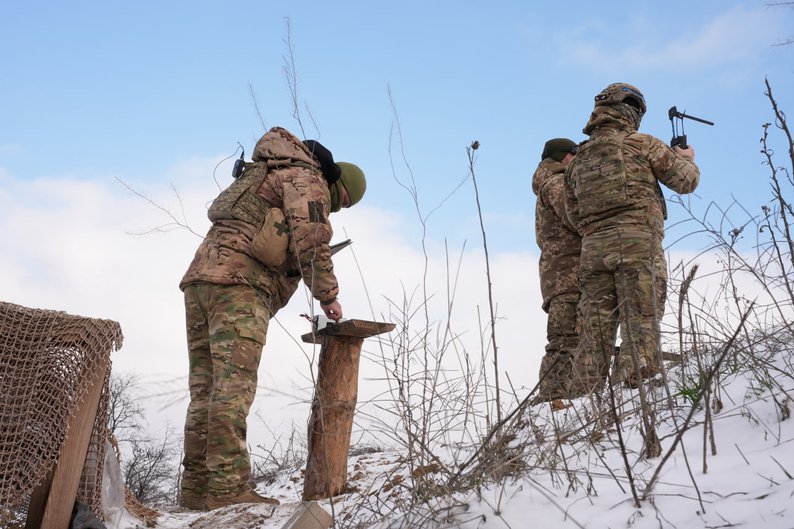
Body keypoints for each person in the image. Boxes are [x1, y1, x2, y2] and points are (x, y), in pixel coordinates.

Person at [178, 126, 366, 510]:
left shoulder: (268, 169)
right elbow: (311, 240)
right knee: (232, 389)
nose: (338, 208)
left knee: (206, 390)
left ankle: (197, 491)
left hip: (200, 280)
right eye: (343, 201)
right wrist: (328, 297)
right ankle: (228, 489)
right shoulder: (307, 178)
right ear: (338, 183)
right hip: (239, 285)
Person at [564, 83, 699, 395]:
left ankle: (582, 401)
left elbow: (573, 216)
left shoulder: (577, 161)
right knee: (640, 320)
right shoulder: (642, 144)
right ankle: (633, 395)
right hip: (637, 245)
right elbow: (686, 181)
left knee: (593, 332)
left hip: (593, 252)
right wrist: (687, 158)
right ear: (631, 110)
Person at [531, 138, 582, 402]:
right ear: (565, 157)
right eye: (576, 154)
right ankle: (551, 400)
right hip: (567, 277)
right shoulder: (556, 182)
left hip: (566, 276)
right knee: (565, 341)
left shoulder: (552, 181)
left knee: (575, 339)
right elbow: (576, 216)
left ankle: (566, 397)